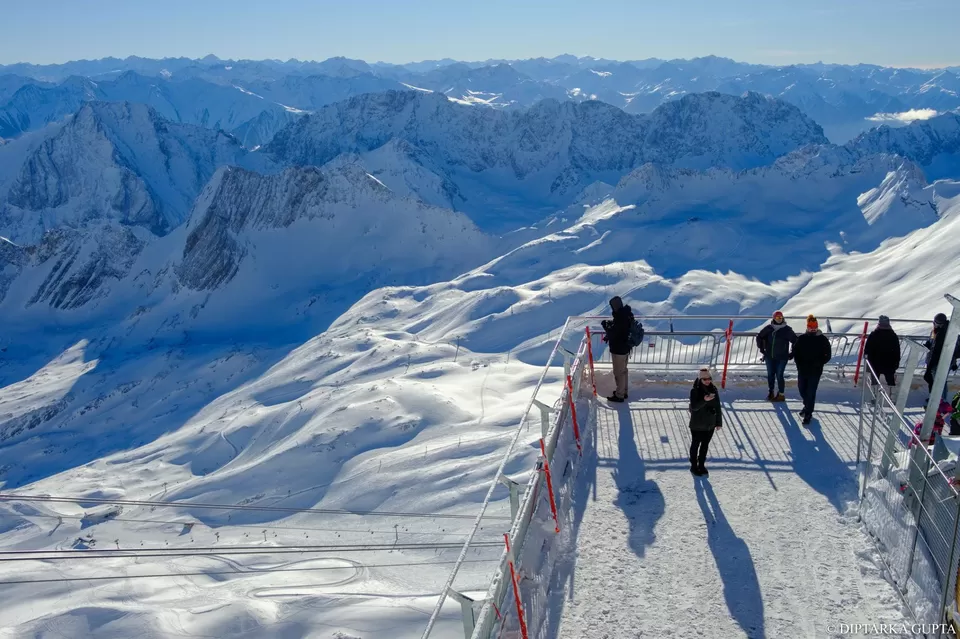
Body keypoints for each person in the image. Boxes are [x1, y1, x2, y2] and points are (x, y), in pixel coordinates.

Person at [792, 314, 832, 425]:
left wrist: (819, 363)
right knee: (802, 389)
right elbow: (796, 351)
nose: (813, 329)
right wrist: (798, 364)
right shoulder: (802, 338)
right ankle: (807, 405)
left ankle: (808, 413)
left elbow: (827, 355)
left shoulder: (822, 339)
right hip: (803, 369)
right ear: (807, 327)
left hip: (815, 371)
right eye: (811, 326)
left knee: (811, 392)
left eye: (814, 327)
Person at [756, 311, 798, 402]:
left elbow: (795, 341)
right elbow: (759, 336)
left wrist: (792, 353)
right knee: (770, 375)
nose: (779, 319)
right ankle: (771, 392)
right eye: (777, 318)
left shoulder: (787, 330)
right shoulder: (769, 328)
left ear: (783, 318)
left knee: (779, 375)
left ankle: (781, 394)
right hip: (769, 357)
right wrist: (762, 349)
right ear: (773, 318)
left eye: (780, 318)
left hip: (782, 358)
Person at [689, 366, 722, 476]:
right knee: (695, 445)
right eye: (705, 379)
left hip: (710, 424)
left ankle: (701, 465)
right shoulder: (695, 391)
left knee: (705, 445)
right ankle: (694, 466)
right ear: (700, 380)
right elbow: (694, 407)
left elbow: (718, 406)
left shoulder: (714, 389)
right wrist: (704, 400)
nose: (708, 381)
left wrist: (718, 422)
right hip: (697, 424)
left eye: (709, 378)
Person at [601, 296, 634, 403]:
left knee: (618, 372)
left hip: (618, 349)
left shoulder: (620, 316)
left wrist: (605, 326)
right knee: (623, 371)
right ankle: (624, 392)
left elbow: (614, 332)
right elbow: (620, 330)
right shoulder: (627, 314)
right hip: (625, 348)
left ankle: (619, 395)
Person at [864, 315, 901, 397]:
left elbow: (867, 350)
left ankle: (874, 396)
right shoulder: (893, 336)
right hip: (890, 363)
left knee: (874, 380)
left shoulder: (874, 335)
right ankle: (892, 397)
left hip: (875, 363)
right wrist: (896, 363)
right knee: (890, 380)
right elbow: (897, 351)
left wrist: (868, 361)